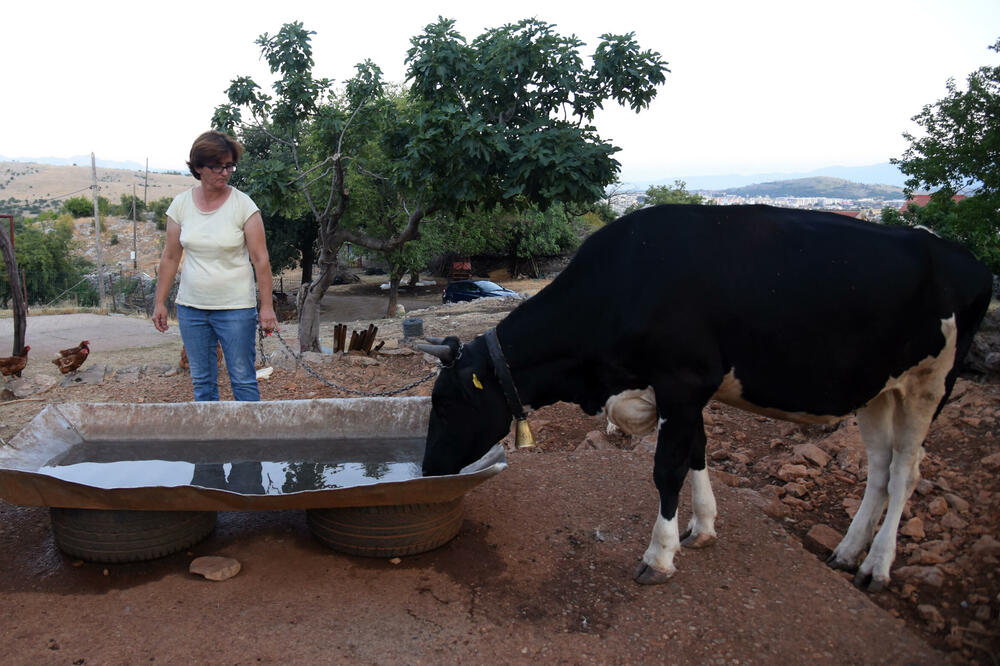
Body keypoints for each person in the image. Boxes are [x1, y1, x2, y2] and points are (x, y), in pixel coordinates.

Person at [152, 130, 277, 401]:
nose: (225, 172)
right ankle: (212, 442)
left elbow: (261, 259)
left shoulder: (244, 206)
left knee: (243, 379)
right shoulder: (180, 206)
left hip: (236, 310)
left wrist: (266, 307)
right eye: (217, 166)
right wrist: (160, 302)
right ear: (198, 167)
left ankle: (248, 442)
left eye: (229, 165)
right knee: (202, 382)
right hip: (191, 310)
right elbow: (170, 257)